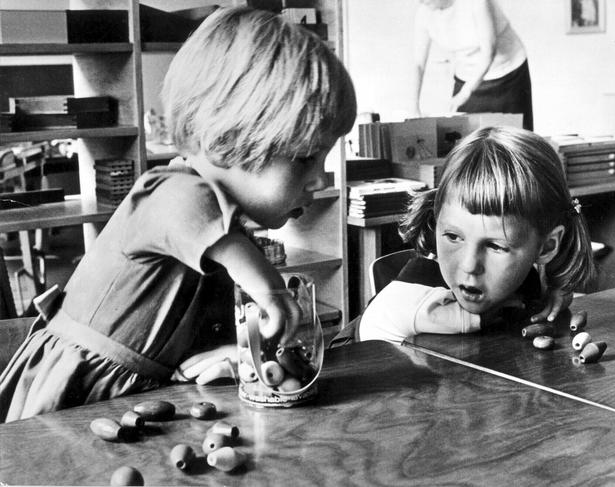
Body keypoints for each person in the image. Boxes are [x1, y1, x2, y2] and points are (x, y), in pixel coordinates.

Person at [0, 7, 356, 422]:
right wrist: (272, 291)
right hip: (71, 395)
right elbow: (198, 215)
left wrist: (236, 356)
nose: (318, 179)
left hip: (136, 401)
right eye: (303, 158)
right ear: (224, 140)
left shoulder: (227, 239)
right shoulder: (169, 192)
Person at [355, 126, 595, 343]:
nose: (470, 266)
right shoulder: (411, 303)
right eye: (453, 236)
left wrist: (558, 291)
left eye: (495, 246)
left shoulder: (527, 279)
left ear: (546, 248)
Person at [413, 0, 534, 130]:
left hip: (507, 74)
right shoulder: (424, 12)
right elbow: (418, 64)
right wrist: (414, 108)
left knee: (513, 138)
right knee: (467, 140)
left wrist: (464, 93)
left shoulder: (476, 2)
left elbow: (489, 52)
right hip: (467, 77)